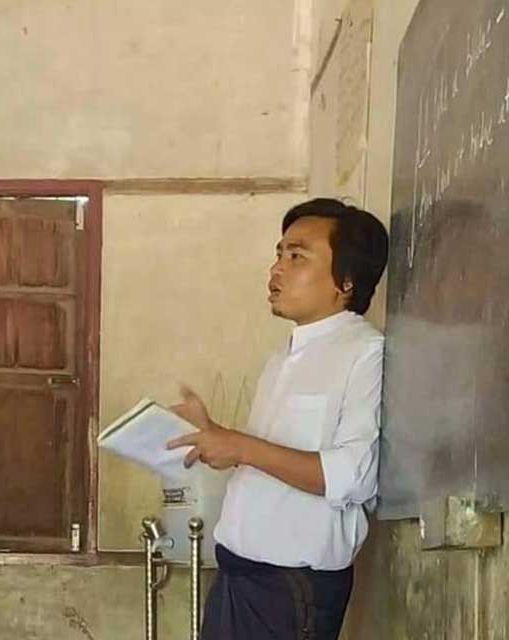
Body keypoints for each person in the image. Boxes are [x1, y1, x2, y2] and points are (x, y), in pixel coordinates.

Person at [167, 198, 389, 640]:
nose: (276, 270)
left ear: (345, 281)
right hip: (238, 578)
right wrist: (224, 448)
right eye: (278, 254)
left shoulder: (364, 353)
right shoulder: (283, 357)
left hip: (289, 591)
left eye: (297, 257)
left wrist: (241, 447)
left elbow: (355, 475)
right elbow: (270, 459)